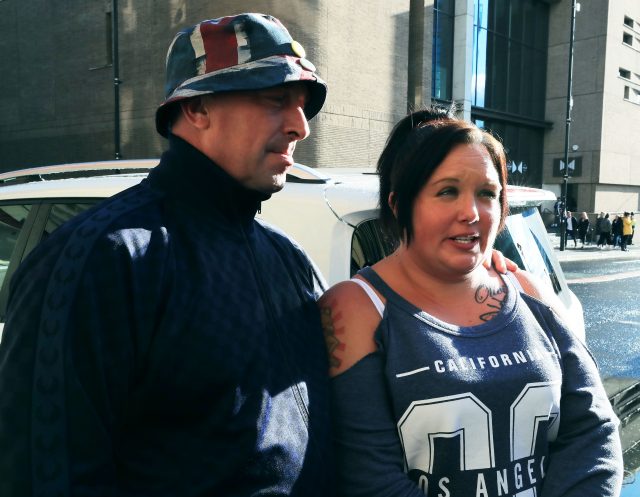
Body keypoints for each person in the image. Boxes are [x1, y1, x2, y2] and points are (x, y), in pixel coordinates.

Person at [0, 13, 334, 496]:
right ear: (197, 108)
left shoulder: (290, 261)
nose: (300, 126)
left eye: (303, 105)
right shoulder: (103, 257)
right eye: (275, 99)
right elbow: (44, 471)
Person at [319, 107, 623, 497]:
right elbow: (368, 478)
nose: (471, 213)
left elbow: (592, 431)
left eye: (487, 194)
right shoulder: (355, 309)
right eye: (447, 191)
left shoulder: (527, 289)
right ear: (399, 204)